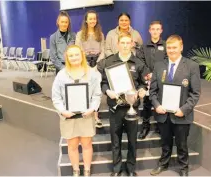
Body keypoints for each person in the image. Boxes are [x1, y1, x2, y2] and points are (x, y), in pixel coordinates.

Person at [97, 33, 148, 176]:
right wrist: (107, 91)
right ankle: (117, 169)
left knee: (132, 141)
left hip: (132, 109)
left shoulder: (138, 63)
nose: (125, 46)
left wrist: (142, 90)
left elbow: (144, 83)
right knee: (115, 140)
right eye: (122, 43)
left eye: (128, 43)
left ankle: (131, 169)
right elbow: (103, 82)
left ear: (132, 44)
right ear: (118, 44)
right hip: (116, 108)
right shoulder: (109, 62)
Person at [149, 35, 201, 176]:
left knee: (182, 144)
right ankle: (163, 164)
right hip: (163, 113)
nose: (171, 50)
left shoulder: (192, 66)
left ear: (181, 47)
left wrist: (184, 110)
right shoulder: (159, 66)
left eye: (174, 47)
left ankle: (183, 168)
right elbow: (152, 91)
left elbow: (195, 93)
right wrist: (157, 105)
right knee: (165, 143)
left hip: (181, 115)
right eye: (169, 48)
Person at [52, 45, 102, 176]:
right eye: (71, 55)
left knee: (87, 144)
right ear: (67, 58)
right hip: (68, 117)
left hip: (86, 116)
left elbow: (97, 94)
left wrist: (92, 108)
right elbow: (56, 97)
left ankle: (86, 169)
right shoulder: (61, 75)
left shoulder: (91, 74)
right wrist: (63, 111)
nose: (74, 58)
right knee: (72, 145)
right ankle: (76, 169)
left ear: (82, 56)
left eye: (76, 54)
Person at [136, 21, 166, 139]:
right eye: (153, 29)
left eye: (157, 29)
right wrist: (148, 74)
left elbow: (167, 61)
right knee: (147, 104)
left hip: (161, 79)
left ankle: (160, 126)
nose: (155, 31)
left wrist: (156, 74)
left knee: (160, 103)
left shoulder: (165, 45)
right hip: (147, 80)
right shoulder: (143, 47)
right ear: (149, 31)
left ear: (161, 31)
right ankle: (145, 127)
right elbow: (140, 61)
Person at [76, 10, 105, 128]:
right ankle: (87, 114)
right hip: (85, 65)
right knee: (86, 90)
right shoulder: (79, 34)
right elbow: (78, 49)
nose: (92, 20)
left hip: (97, 66)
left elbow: (103, 50)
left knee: (96, 91)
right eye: (90, 18)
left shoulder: (101, 35)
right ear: (86, 20)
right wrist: (86, 64)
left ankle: (96, 117)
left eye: (94, 18)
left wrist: (97, 64)